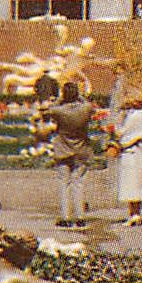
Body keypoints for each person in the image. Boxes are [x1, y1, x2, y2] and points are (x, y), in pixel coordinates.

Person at [39, 81, 96, 229]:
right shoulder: (85, 109)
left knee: (64, 183)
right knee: (78, 183)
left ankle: (65, 217)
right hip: (81, 149)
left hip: (63, 148)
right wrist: (80, 97)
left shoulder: (59, 111)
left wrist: (60, 99)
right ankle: (80, 216)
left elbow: (45, 110)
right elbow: (90, 105)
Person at [113, 92, 142, 226]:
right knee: (138, 183)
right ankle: (136, 213)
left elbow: (124, 134)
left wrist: (115, 131)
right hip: (140, 154)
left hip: (133, 154)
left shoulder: (135, 117)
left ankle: (134, 214)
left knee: (132, 183)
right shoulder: (140, 115)